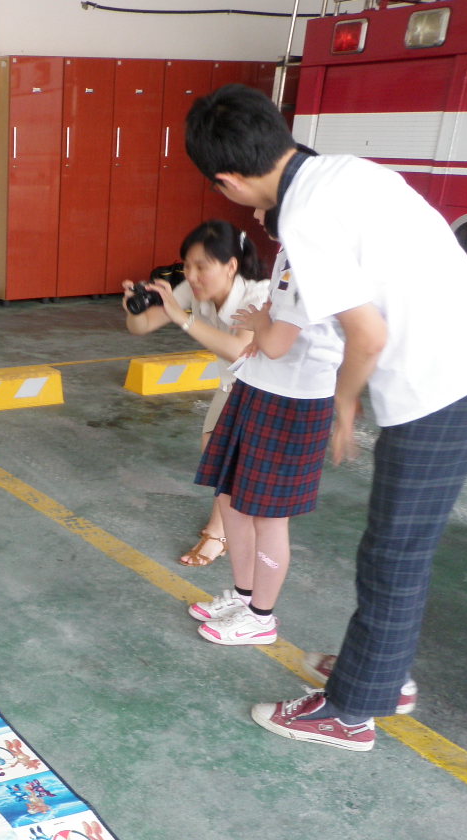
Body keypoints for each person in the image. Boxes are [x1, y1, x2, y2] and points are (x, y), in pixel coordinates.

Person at [186, 84, 467, 751]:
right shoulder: (345, 171)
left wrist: (345, 405)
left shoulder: (306, 215)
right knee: (398, 550)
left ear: (229, 181)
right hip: (450, 361)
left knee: (393, 554)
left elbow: (366, 334)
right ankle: (382, 673)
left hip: (438, 383)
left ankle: (349, 711)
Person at [186, 203, 343, 650]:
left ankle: (261, 617)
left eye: (264, 203)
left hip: (293, 402)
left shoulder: (316, 257)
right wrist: (262, 323)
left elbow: (275, 342)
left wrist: (259, 324)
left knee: (269, 517)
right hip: (259, 387)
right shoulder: (287, 251)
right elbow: (273, 314)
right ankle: (243, 596)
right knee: (232, 500)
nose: (256, 212)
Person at [121, 220, 268, 567]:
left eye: (202, 267)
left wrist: (183, 319)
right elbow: (143, 326)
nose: (192, 275)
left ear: (230, 266)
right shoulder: (192, 287)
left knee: (225, 457)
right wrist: (133, 307)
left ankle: (220, 534)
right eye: (187, 266)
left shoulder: (258, 294)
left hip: (269, 389)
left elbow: (239, 350)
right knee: (217, 455)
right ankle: (224, 527)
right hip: (233, 384)